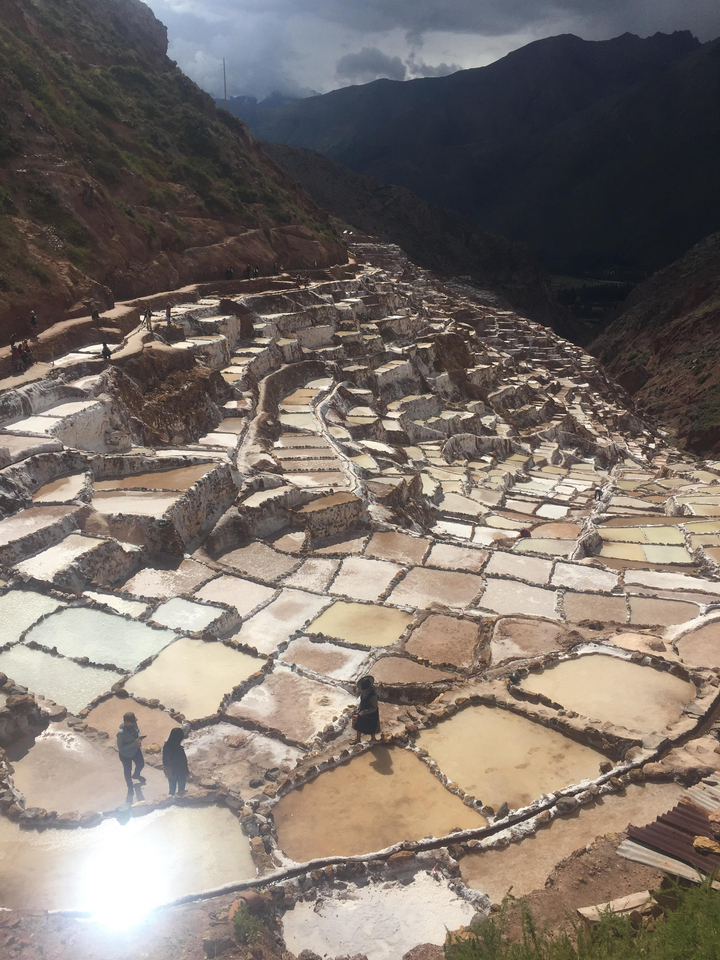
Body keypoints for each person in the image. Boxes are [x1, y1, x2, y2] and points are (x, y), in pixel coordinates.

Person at [117, 711, 145, 793]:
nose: (133, 723)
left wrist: (139, 737)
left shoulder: (134, 723)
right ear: (126, 722)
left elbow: (137, 730)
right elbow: (121, 748)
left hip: (136, 750)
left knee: (141, 764)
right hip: (126, 755)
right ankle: (129, 785)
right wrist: (134, 743)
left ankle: (136, 775)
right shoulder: (121, 733)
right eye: (131, 722)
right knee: (128, 770)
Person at [352, 675, 380, 745]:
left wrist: (365, 712)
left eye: (365, 689)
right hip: (363, 709)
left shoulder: (373, 695)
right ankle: (358, 740)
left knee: (371, 726)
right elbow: (362, 700)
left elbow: (374, 707)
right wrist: (359, 709)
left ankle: (373, 739)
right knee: (359, 724)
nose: (364, 690)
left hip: (371, 712)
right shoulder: (363, 691)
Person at [162, 727, 189, 796]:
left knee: (171, 790)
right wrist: (187, 772)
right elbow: (183, 762)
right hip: (180, 772)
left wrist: (166, 768)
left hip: (171, 771)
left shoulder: (166, 746)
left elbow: (164, 759)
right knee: (181, 792)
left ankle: (169, 803)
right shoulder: (179, 750)